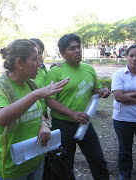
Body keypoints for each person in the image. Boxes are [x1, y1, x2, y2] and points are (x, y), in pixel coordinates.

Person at [0, 39, 69, 180]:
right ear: (20, 63)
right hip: (12, 169)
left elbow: (38, 112)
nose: (39, 64)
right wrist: (36, 94)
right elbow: (1, 118)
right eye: (34, 59)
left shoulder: (30, 84)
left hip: (36, 159)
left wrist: (44, 125)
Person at [45, 33, 110, 180]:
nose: (77, 51)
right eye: (72, 48)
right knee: (65, 165)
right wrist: (72, 113)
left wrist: (101, 91)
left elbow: (94, 89)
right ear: (62, 53)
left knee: (98, 161)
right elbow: (50, 100)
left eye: (78, 47)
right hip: (62, 125)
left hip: (85, 123)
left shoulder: (89, 69)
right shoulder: (56, 71)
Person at [111, 44, 136, 180]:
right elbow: (118, 97)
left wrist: (127, 93)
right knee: (124, 150)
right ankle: (124, 175)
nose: (134, 59)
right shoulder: (119, 74)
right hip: (122, 119)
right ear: (126, 57)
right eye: (131, 55)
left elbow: (123, 95)